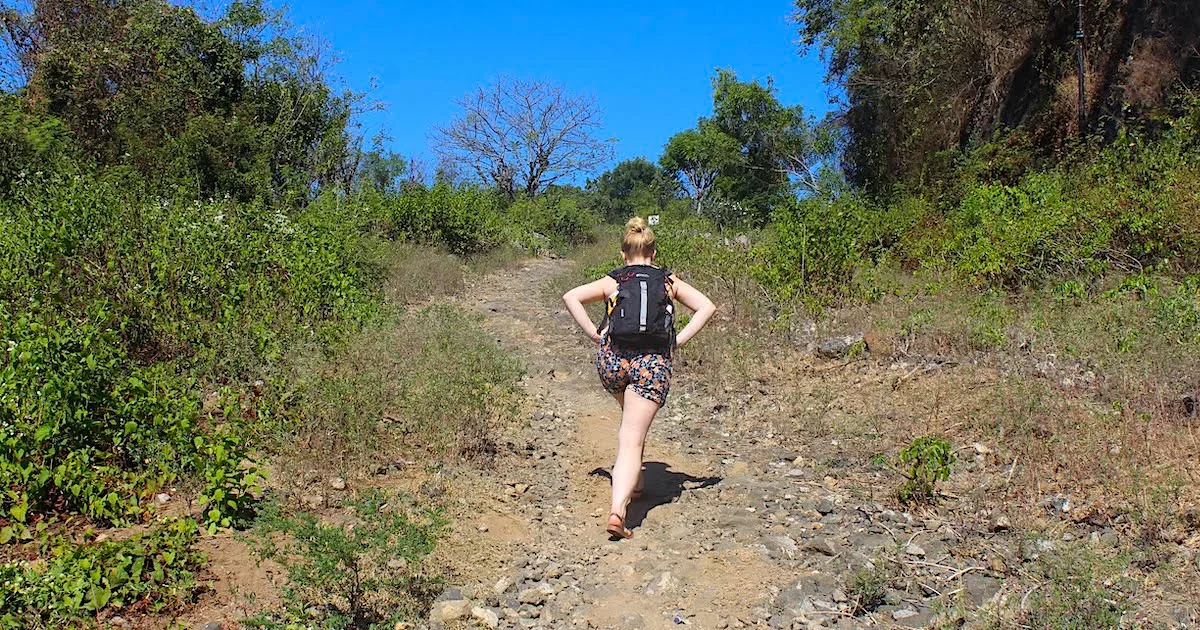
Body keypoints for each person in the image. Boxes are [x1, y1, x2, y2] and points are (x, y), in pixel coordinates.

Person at [562, 217, 717, 538]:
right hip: (651, 364)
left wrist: (595, 333)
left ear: (623, 254)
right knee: (631, 436)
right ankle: (619, 510)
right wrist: (679, 340)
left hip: (612, 361)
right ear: (654, 252)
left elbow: (570, 296)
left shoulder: (614, 280)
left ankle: (638, 482)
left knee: (631, 424)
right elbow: (706, 307)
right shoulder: (669, 281)